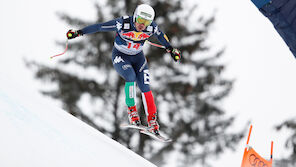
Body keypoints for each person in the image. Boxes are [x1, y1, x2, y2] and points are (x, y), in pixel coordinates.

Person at [66, 4, 181, 135]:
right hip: (120, 56)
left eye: (146, 22)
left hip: (138, 58)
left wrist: (171, 49)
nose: (142, 25)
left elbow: (161, 36)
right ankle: (132, 113)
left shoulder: (151, 27)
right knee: (130, 77)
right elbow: (100, 26)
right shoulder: (123, 23)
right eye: (140, 20)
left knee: (145, 86)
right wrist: (79, 32)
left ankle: (152, 122)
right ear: (135, 17)